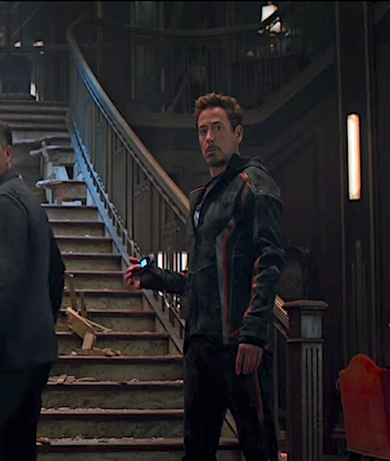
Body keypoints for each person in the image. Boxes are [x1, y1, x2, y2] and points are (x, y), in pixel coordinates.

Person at [123, 93, 284, 461]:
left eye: (217, 129)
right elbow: (199, 277)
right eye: (202, 131)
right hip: (201, 344)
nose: (209, 138)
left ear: (237, 133)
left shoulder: (254, 185)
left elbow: (270, 260)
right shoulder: (203, 198)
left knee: (259, 448)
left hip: (239, 343)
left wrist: (254, 334)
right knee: (196, 451)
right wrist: (153, 276)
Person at [0, 115, 66, 460]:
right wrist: (40, 323)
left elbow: (6, 282)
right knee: (18, 451)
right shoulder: (27, 198)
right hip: (31, 356)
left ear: (8, 153)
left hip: (3, 359)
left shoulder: (4, 202)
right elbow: (57, 272)